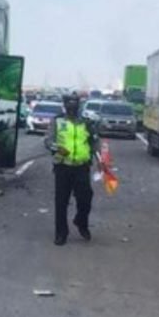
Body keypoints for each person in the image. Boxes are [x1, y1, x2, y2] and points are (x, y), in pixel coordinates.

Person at [44, 93, 100, 245]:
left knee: (85, 198)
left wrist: (100, 160)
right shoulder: (57, 121)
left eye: (74, 106)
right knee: (61, 201)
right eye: (69, 106)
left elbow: (94, 142)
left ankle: (81, 222)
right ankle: (61, 233)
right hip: (62, 166)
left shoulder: (86, 122)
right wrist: (57, 148)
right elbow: (48, 140)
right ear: (65, 106)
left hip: (82, 166)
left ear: (78, 106)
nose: (72, 109)